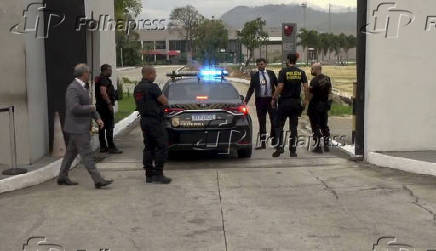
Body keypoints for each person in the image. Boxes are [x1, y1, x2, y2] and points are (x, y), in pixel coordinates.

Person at [58, 63, 113, 189]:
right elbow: (74, 108)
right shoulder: (73, 88)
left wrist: (97, 118)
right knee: (87, 154)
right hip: (77, 128)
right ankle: (98, 180)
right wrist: (91, 108)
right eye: (88, 72)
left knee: (70, 154)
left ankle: (62, 176)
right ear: (83, 74)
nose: (89, 74)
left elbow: (89, 106)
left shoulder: (83, 87)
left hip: (79, 127)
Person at [134, 66, 172, 184]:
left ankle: (149, 175)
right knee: (162, 146)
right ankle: (158, 174)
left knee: (148, 147)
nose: (155, 76)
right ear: (149, 74)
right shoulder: (153, 87)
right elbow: (164, 101)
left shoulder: (137, 88)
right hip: (155, 121)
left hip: (144, 120)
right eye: (154, 73)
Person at [271, 54, 309, 158]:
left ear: (288, 60)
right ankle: (293, 151)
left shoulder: (283, 72)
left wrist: (274, 98)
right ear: (296, 60)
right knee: (293, 127)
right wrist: (306, 100)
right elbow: (306, 87)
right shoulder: (301, 72)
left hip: (284, 102)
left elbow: (280, 86)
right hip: (296, 103)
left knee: (279, 125)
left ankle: (279, 147)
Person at [244, 58, 278, 149]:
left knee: (274, 121)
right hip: (260, 101)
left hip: (271, 101)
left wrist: (278, 97)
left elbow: (278, 86)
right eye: (258, 64)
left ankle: (274, 141)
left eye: (262, 64)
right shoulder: (254, 76)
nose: (260, 66)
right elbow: (251, 89)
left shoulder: (271, 73)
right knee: (262, 122)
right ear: (257, 66)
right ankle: (263, 143)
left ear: (265, 64)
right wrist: (245, 101)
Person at [95, 64, 122, 154]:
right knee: (109, 127)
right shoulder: (104, 80)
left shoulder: (100, 79)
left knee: (102, 127)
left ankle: (103, 147)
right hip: (105, 107)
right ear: (104, 71)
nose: (111, 72)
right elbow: (103, 92)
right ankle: (111, 147)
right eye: (109, 70)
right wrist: (109, 103)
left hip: (100, 106)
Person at [308, 63, 332, 153]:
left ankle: (318, 147)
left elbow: (310, 95)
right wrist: (329, 103)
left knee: (315, 126)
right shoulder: (327, 79)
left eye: (312, 69)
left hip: (315, 106)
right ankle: (326, 146)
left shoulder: (314, 81)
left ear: (317, 69)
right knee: (324, 125)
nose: (311, 71)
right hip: (324, 105)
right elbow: (330, 92)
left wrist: (306, 102)